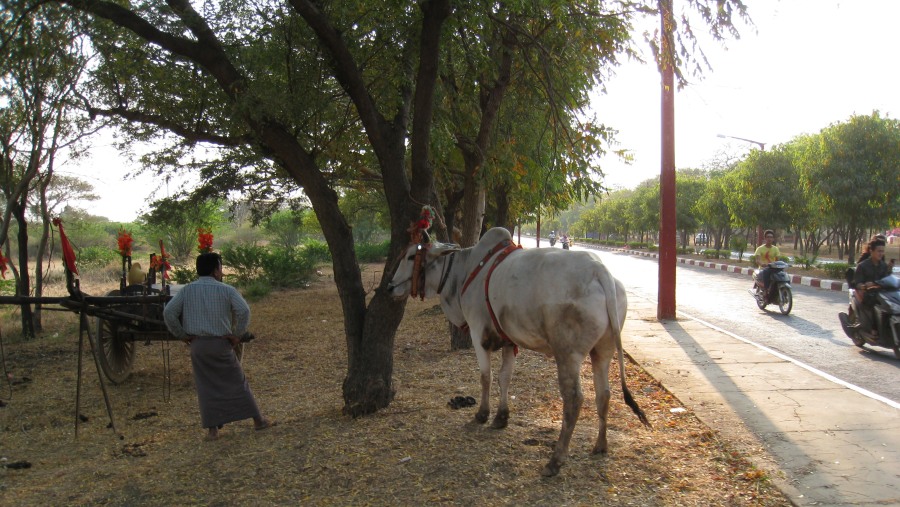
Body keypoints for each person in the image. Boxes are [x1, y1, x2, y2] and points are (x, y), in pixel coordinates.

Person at [163, 252, 273, 441]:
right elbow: (244, 310)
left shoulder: (187, 290)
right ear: (215, 270)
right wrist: (237, 335)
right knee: (238, 382)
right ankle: (258, 421)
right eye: (220, 268)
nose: (221, 272)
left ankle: (213, 431)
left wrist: (182, 335)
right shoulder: (227, 290)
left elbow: (169, 313)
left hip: (198, 346)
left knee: (205, 387)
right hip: (221, 345)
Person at [852, 237, 891, 337]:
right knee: (876, 304)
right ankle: (874, 329)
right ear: (871, 251)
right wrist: (864, 285)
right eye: (879, 251)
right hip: (869, 294)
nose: (881, 254)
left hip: (882, 293)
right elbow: (857, 283)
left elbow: (887, 280)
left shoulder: (884, 266)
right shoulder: (862, 266)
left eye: (882, 251)